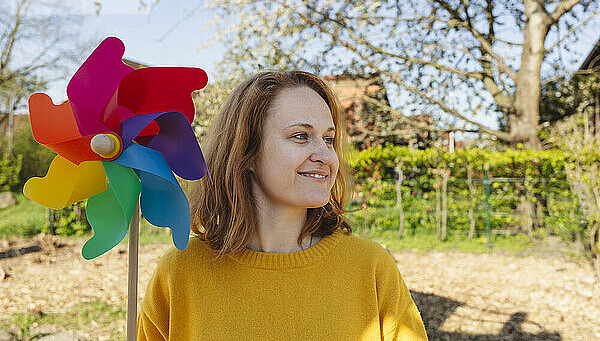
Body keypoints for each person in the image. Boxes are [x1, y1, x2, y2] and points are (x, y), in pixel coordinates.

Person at [136, 70, 428, 340]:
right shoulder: (180, 273)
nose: (326, 155)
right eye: (301, 136)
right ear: (246, 152)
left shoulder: (371, 267)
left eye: (329, 139)